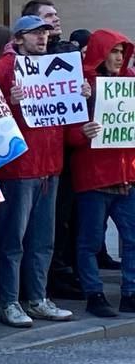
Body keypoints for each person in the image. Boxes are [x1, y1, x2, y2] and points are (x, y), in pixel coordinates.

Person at [0, 14, 80, 327]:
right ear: (19, 38)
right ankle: (10, 302)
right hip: (19, 168)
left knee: (43, 240)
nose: (42, 38)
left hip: (49, 167)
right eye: (35, 33)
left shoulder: (55, 67)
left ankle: (37, 298)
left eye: (45, 33)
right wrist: (9, 103)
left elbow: (67, 122)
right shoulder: (0, 69)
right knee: (13, 241)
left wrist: (81, 100)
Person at [68, 30, 135, 317]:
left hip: (126, 177)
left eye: (122, 52)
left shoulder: (130, 84)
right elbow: (68, 134)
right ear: (100, 53)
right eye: (113, 51)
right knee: (90, 242)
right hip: (94, 177)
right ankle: (94, 293)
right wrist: (82, 133)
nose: (119, 57)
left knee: (132, 239)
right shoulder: (81, 85)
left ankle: (130, 293)